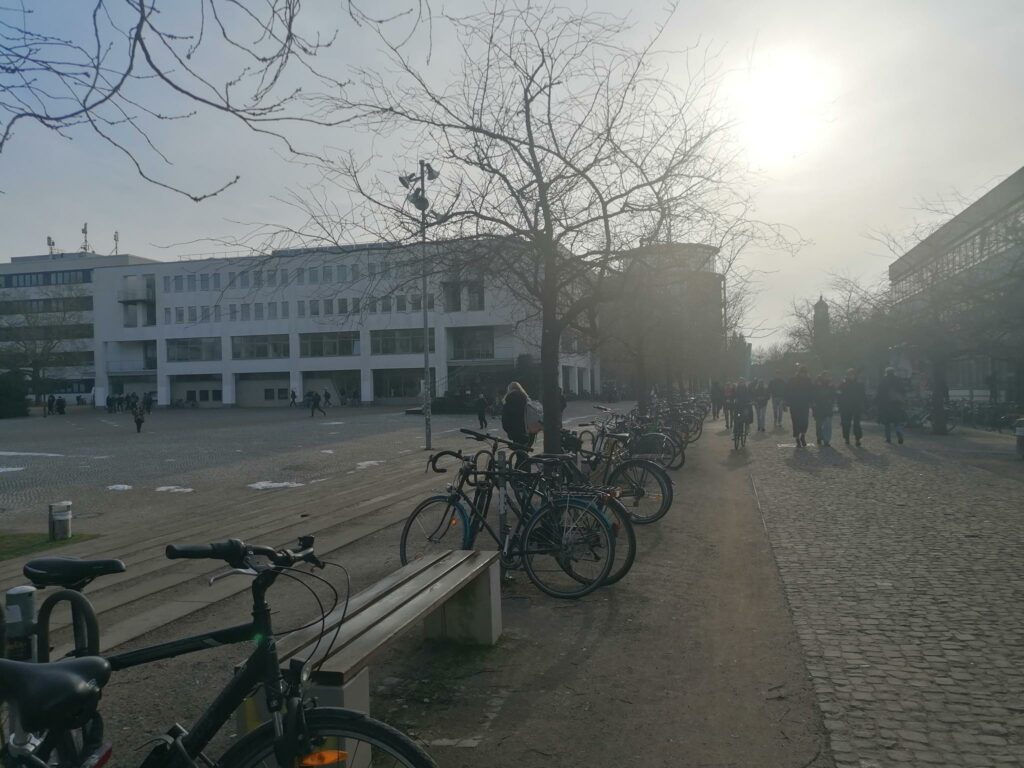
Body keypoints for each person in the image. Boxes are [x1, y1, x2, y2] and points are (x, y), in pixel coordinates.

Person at [876, 367, 906, 444]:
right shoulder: (898, 380)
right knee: (897, 423)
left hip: (886, 405)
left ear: (886, 372)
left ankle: (888, 438)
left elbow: (879, 393)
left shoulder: (883, 381)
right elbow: (903, 391)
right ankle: (900, 437)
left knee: (887, 424)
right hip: (896, 405)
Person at [786, 366, 814, 447]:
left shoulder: (808, 381)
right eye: (802, 373)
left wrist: (811, 401)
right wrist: (786, 402)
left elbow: (811, 392)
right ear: (799, 372)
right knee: (796, 422)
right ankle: (797, 438)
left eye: (805, 373)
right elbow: (788, 391)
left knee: (804, 421)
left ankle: (803, 436)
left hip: (804, 404)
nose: (803, 374)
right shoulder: (793, 380)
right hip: (794, 404)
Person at [837, 369, 865, 446]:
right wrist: (840, 404)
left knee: (856, 423)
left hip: (856, 406)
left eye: (852, 375)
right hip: (845, 406)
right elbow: (838, 394)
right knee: (846, 423)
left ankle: (857, 439)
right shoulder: (843, 383)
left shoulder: (859, 384)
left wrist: (863, 405)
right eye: (849, 375)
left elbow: (863, 395)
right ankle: (846, 438)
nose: (851, 376)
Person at [501, 381, 530, 447]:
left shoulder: (508, 401)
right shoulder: (526, 399)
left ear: (509, 390)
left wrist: (509, 430)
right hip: (527, 430)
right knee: (525, 451)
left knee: (518, 451)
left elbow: (505, 419)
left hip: (514, 431)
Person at [812, 372, 836, 447]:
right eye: (825, 376)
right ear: (822, 377)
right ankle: (819, 437)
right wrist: (814, 403)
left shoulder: (831, 385)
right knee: (819, 424)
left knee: (828, 425)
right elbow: (813, 394)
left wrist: (831, 401)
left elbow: (834, 394)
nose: (826, 378)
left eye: (827, 376)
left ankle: (826, 440)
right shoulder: (817, 384)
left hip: (828, 407)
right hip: (819, 407)